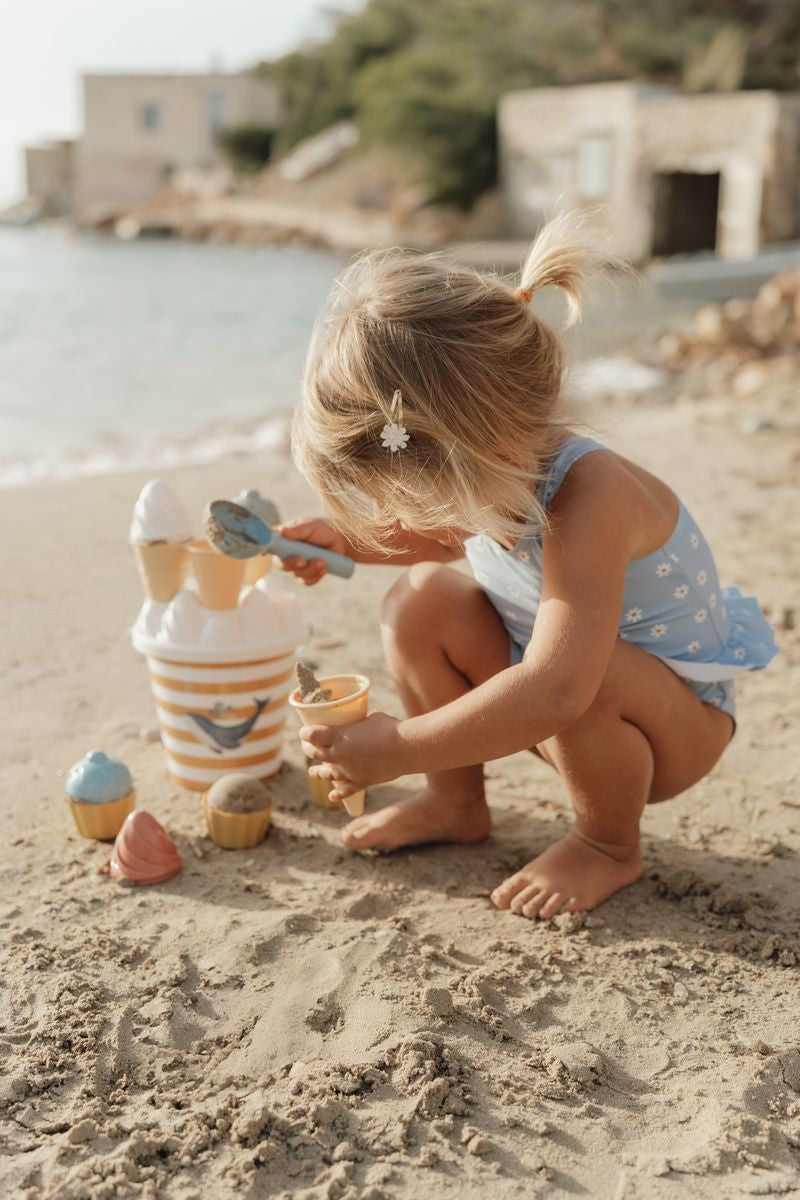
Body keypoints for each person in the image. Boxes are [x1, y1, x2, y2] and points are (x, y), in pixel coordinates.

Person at [278, 213, 778, 920]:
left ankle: (607, 844)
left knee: (582, 670)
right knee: (418, 601)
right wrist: (340, 540)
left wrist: (397, 748)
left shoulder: (592, 495)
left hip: (670, 730)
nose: (411, 521)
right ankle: (455, 802)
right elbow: (443, 541)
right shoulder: (500, 475)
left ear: (491, 457)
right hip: (557, 694)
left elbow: (557, 689)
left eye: (420, 500)